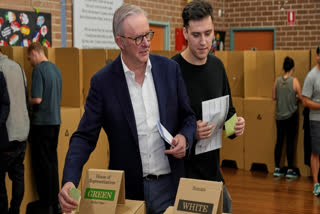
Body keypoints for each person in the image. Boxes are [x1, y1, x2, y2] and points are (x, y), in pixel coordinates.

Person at [58, 4, 196, 214]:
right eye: (137, 38)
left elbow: (188, 117)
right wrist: (69, 180)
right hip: (128, 191)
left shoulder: (170, 70)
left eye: (148, 35)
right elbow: (84, 137)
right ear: (120, 42)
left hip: (169, 187)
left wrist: (185, 138)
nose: (146, 43)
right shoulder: (103, 82)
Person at [172, 0, 245, 213]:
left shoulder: (217, 66)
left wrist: (236, 125)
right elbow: (163, 126)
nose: (204, 41)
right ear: (185, 33)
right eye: (196, 35)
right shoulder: (172, 70)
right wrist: (190, 132)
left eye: (208, 33)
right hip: (183, 175)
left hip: (212, 169)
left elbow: (228, 112)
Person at [27, 42, 62, 213]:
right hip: (55, 121)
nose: (29, 62)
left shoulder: (39, 70)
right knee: (52, 163)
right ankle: (55, 201)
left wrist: (27, 100)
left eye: (29, 58)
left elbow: (38, 99)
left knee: (41, 165)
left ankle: (45, 204)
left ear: (34, 52)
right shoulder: (56, 70)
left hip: (41, 124)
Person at [0, 48, 29, 214]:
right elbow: (25, 95)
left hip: (6, 131)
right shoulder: (17, 66)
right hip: (23, 129)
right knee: (18, 174)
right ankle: (15, 210)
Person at [272, 56, 301, 178]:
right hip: (291, 116)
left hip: (279, 116)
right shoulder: (294, 81)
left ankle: (277, 168)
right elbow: (300, 96)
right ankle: (290, 170)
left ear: (283, 67)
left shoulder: (277, 81)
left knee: (279, 141)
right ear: (293, 67)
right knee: (290, 142)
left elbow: (274, 96)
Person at [302, 46, 320, 196]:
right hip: (316, 121)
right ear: (317, 57)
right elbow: (305, 101)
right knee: (316, 152)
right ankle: (316, 183)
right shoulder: (311, 76)